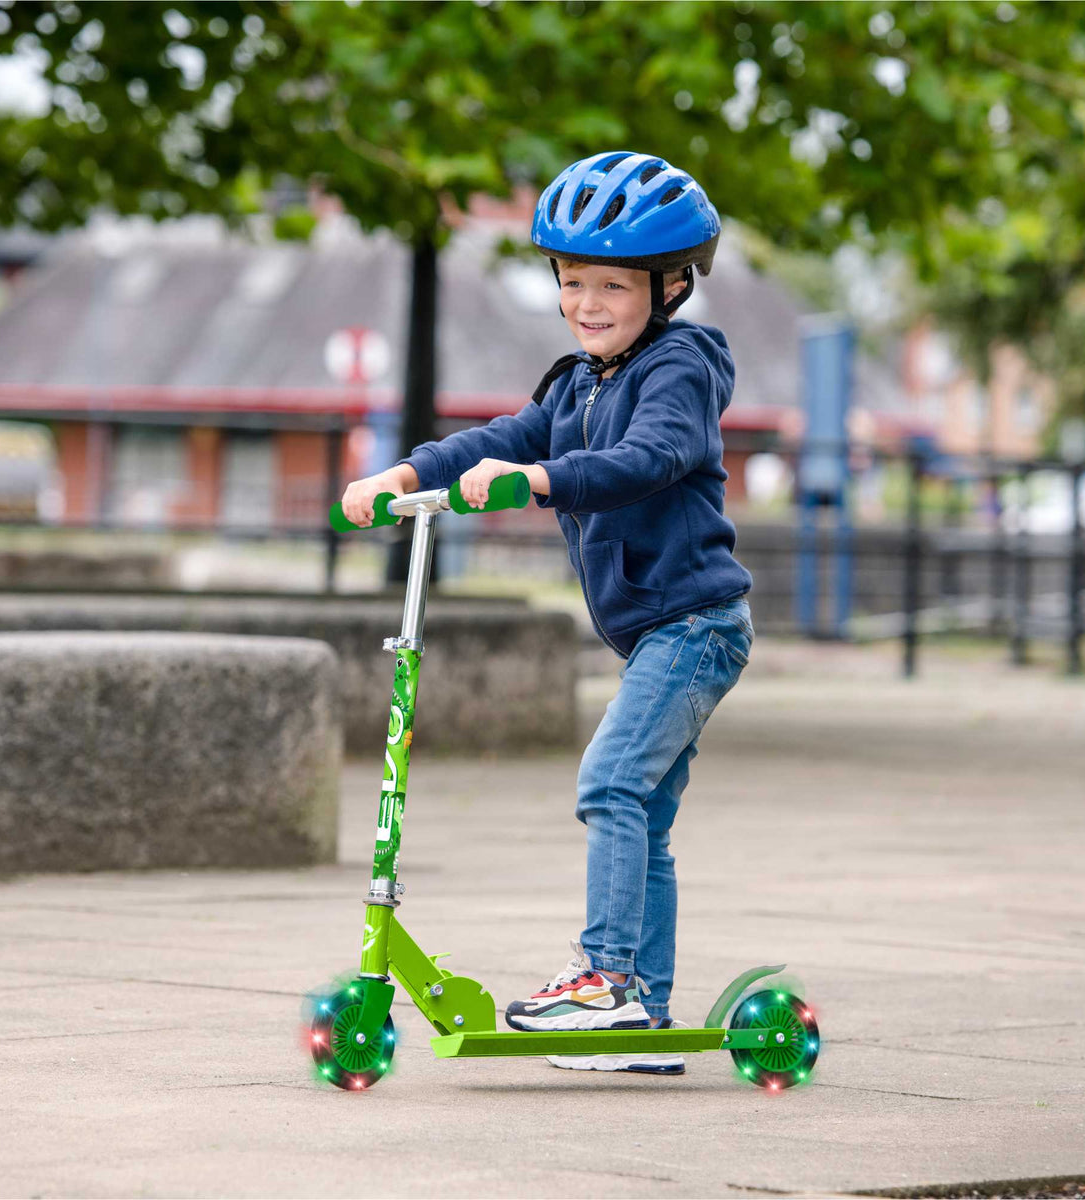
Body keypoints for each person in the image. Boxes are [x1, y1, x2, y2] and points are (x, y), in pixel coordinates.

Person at [339, 151, 754, 1075]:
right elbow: (499, 438)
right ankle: (643, 1022)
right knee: (641, 817)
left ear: (673, 284)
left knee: (608, 784)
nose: (589, 302)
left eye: (614, 284)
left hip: (696, 626)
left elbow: (648, 458)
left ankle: (605, 981)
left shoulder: (682, 366)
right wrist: (403, 475)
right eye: (573, 281)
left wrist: (539, 481)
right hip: (659, 631)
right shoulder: (575, 382)